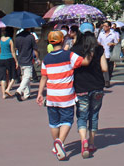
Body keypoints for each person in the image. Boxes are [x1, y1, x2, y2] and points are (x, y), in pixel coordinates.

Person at [37, 30, 91, 161]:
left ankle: (57, 144)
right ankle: (60, 142)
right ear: (62, 41)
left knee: (54, 122)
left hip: (51, 95)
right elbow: (85, 62)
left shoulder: (47, 58)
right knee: (67, 120)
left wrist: (39, 93)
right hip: (66, 94)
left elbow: (44, 77)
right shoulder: (69, 55)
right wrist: (91, 50)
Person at [70, 23, 107, 158]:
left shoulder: (75, 49)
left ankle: (83, 140)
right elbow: (104, 68)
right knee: (94, 114)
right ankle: (91, 143)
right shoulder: (99, 49)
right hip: (97, 85)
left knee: (82, 115)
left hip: (81, 86)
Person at [13, 28, 38, 101]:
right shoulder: (30, 37)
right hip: (28, 59)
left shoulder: (17, 37)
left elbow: (16, 48)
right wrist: (37, 58)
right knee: (28, 76)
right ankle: (19, 91)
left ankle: (27, 94)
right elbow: (35, 48)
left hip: (20, 58)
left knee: (24, 76)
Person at [0, 27, 19, 99]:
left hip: (1, 58)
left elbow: (0, 48)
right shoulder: (10, 40)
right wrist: (16, 61)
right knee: (13, 75)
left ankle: (3, 94)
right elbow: (13, 52)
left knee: (3, 77)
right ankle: (8, 89)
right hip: (9, 58)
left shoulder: (0, 39)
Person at [97, 21, 119, 87]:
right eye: (103, 26)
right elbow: (98, 42)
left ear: (109, 27)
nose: (104, 27)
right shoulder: (101, 34)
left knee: (110, 68)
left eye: (105, 26)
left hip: (110, 53)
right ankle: (106, 81)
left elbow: (117, 43)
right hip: (103, 53)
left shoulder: (113, 34)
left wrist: (112, 44)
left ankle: (108, 79)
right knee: (104, 68)